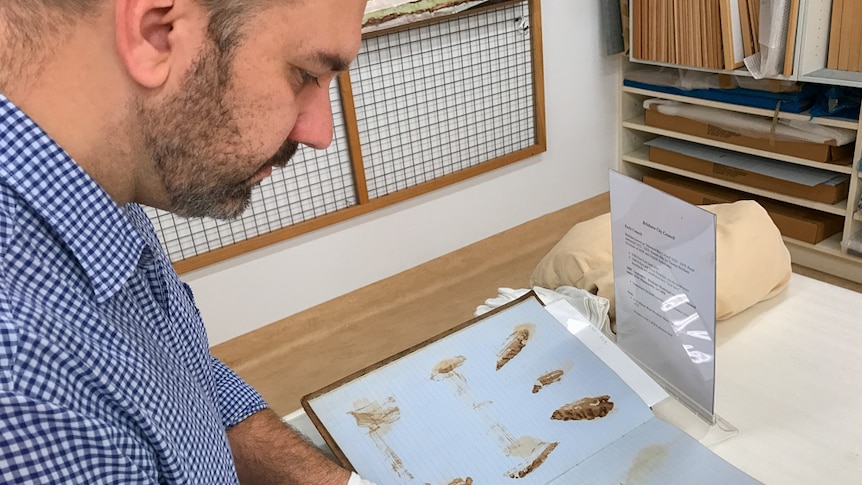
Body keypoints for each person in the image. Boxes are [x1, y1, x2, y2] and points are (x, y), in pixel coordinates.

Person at [0, 0, 376, 483]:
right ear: (156, 34)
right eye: (304, 73)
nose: (319, 132)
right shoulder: (24, 395)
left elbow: (182, 381)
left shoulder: (104, 174)